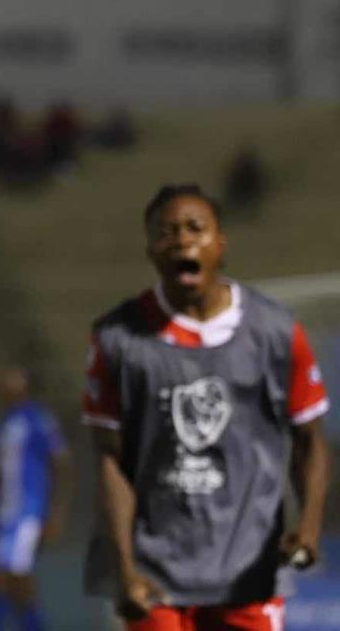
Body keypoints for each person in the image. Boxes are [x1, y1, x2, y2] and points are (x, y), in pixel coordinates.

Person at [82, 183, 331, 630]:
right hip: (155, 571)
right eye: (166, 231)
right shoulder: (118, 339)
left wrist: (309, 526)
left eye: (195, 228)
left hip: (249, 570)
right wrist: (123, 567)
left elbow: (310, 438)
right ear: (150, 249)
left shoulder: (275, 332)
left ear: (220, 242)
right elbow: (109, 458)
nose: (181, 240)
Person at [0, 366, 71, 631]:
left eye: (12, 377)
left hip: (28, 511)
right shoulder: (3, 422)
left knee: (11, 577)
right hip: (6, 511)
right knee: (9, 580)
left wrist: (56, 512)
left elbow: (62, 465)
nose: (4, 382)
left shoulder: (39, 419)